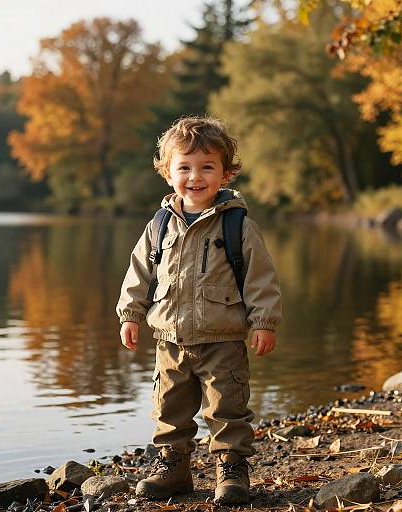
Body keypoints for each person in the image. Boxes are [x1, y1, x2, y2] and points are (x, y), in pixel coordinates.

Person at [116, 116, 282, 505]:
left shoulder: (237, 225)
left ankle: (231, 469)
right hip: (169, 340)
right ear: (167, 172)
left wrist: (264, 322)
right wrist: (130, 314)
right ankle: (173, 468)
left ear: (225, 173)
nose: (195, 176)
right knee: (169, 408)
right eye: (185, 167)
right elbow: (139, 273)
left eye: (207, 167)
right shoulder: (159, 227)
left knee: (227, 408)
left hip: (222, 338)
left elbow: (261, 278)